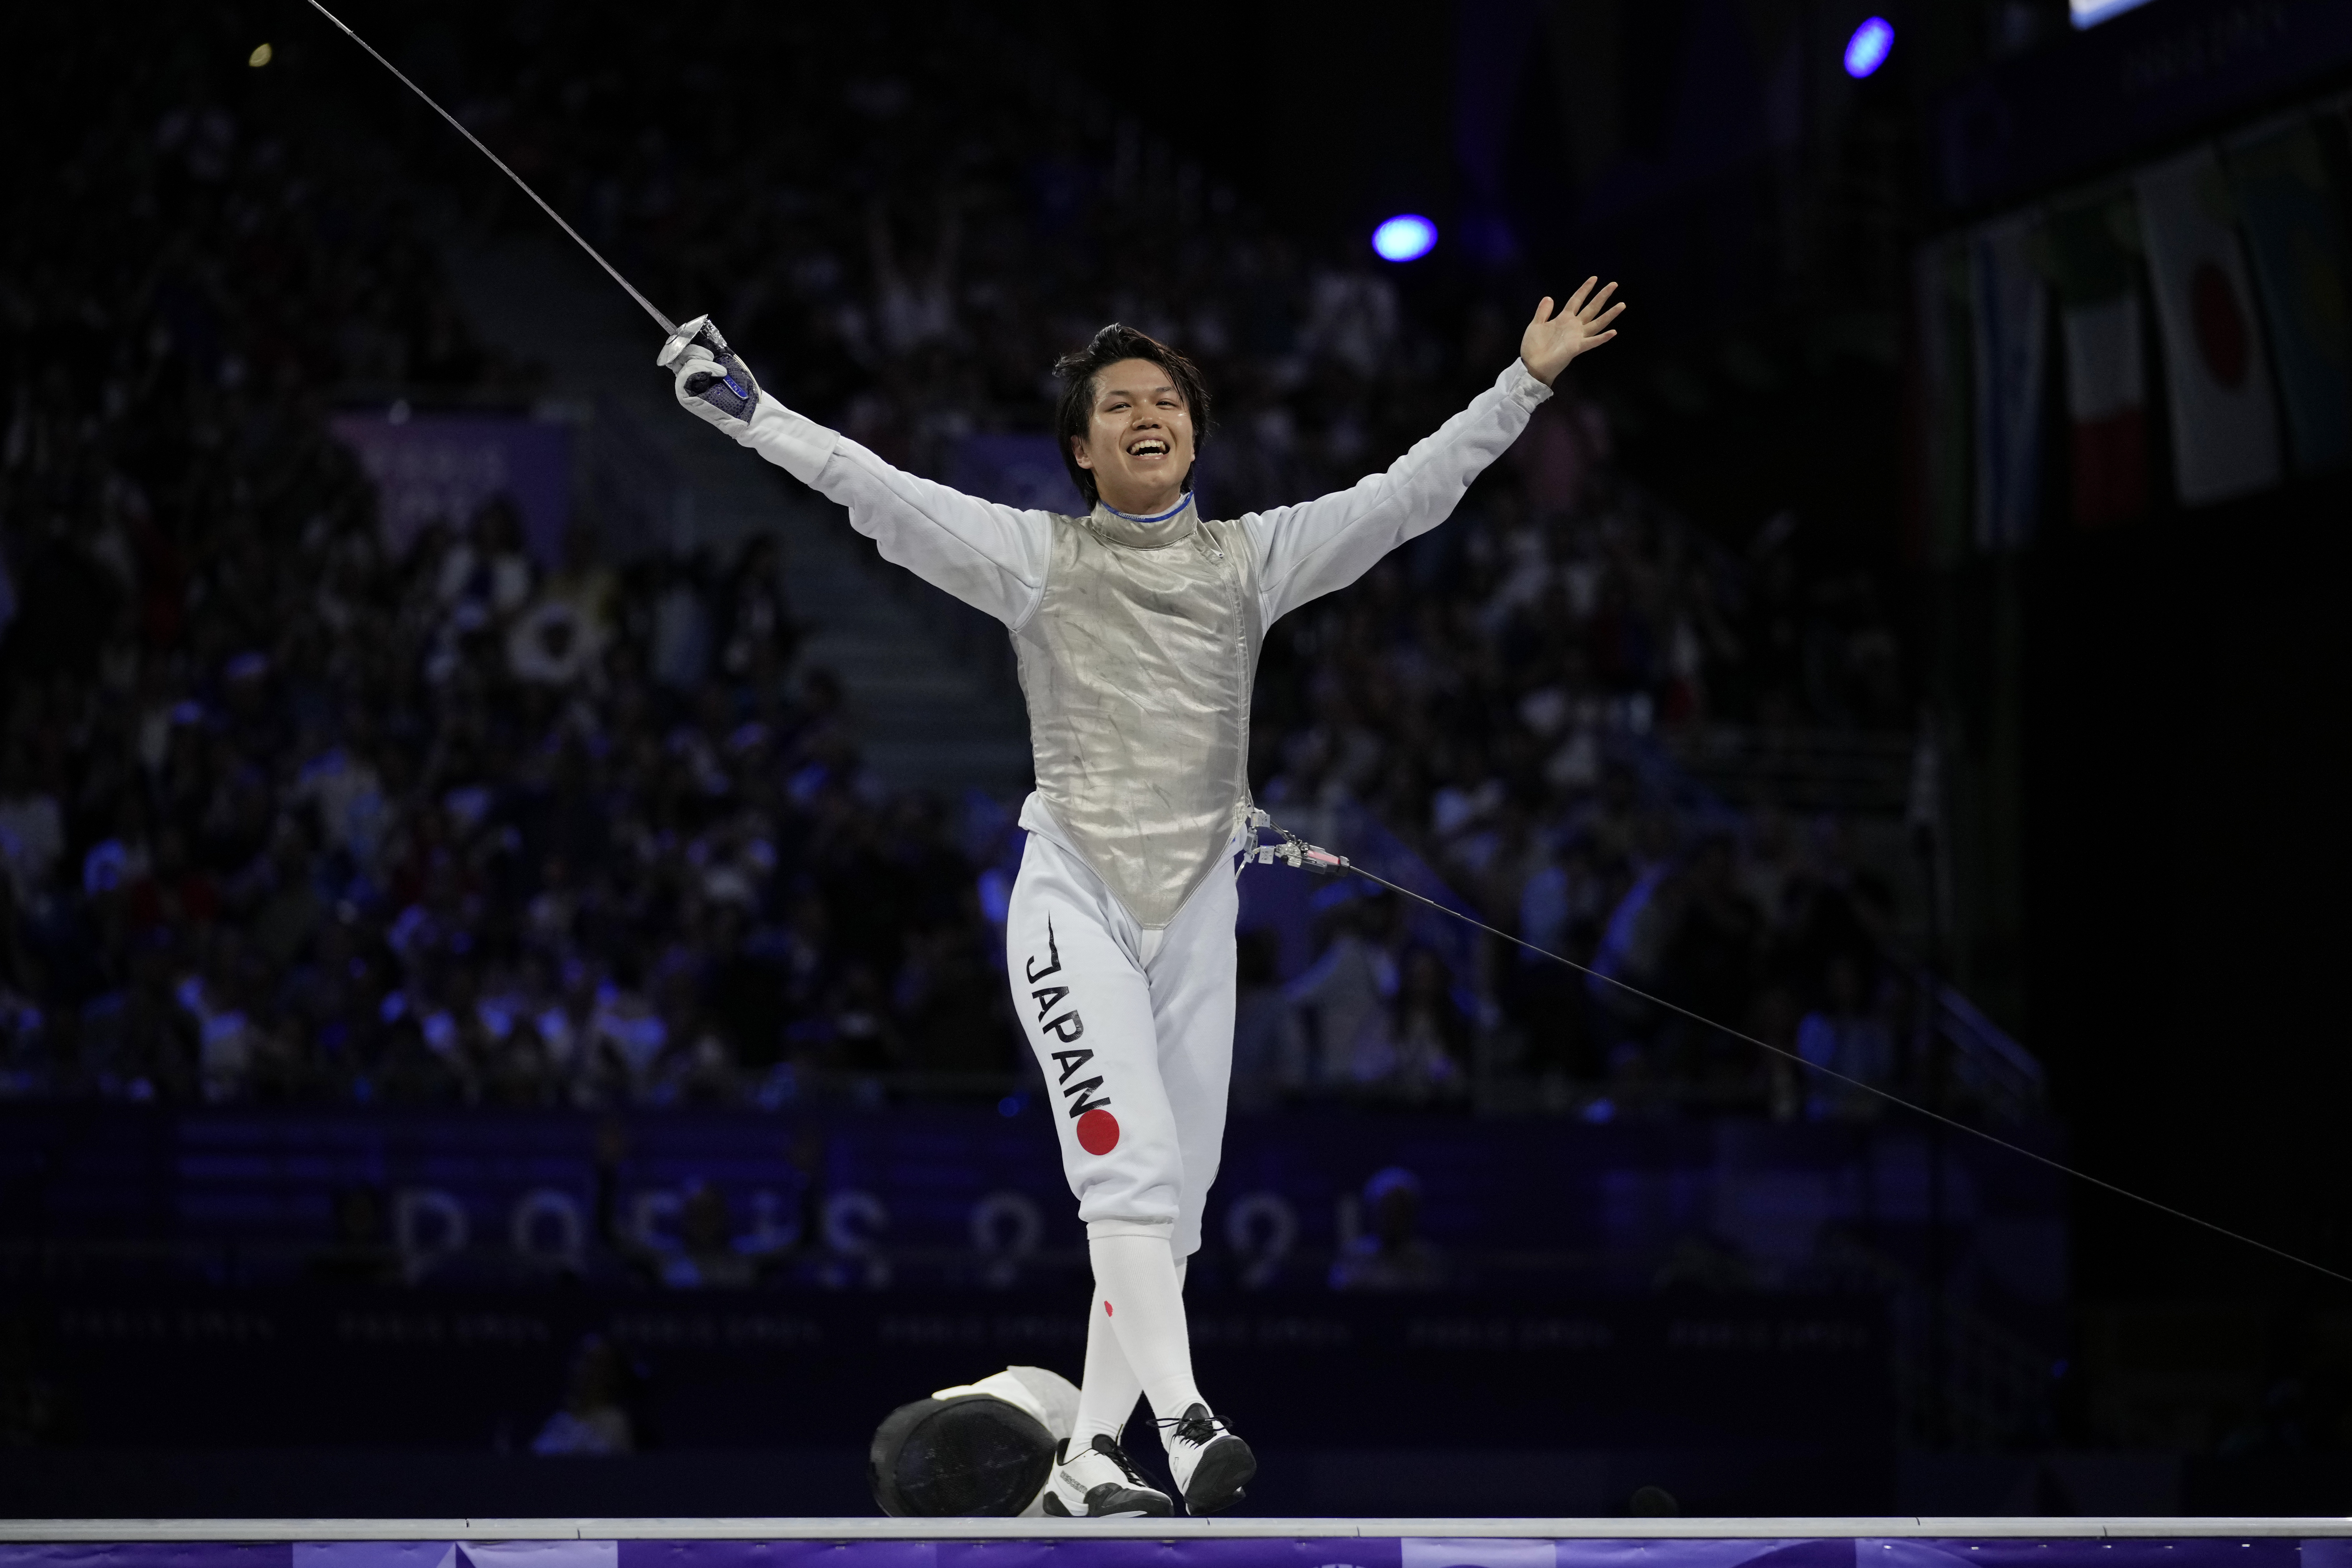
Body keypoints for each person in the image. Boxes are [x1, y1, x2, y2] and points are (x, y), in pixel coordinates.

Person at [658, 280, 1625, 1515]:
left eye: (1163, 399)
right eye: (1118, 404)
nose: (1144, 414)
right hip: (1075, 900)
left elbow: (1404, 501)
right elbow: (877, 492)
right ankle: (1181, 1416)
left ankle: (1085, 1462)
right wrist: (751, 416)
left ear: (1192, 433)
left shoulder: (1249, 561)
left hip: (1196, 918)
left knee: (1173, 1212)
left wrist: (1521, 385)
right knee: (1125, 1178)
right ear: (1082, 447)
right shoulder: (1035, 559)